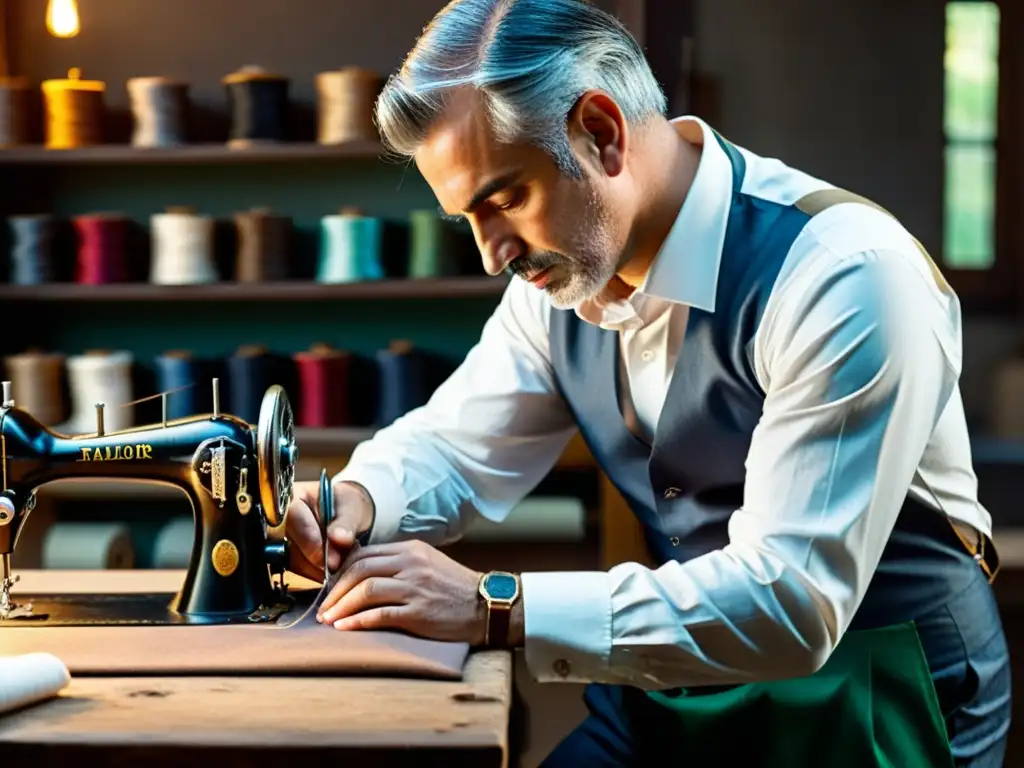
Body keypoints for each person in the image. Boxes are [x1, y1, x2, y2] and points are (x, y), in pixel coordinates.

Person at [284, 0, 1012, 764]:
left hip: (873, 692)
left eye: (503, 200)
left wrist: (494, 604)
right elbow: (457, 444)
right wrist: (355, 502)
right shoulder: (560, 282)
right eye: (467, 217)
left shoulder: (847, 275)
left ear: (601, 133)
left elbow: (792, 601)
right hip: (680, 683)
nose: (491, 254)